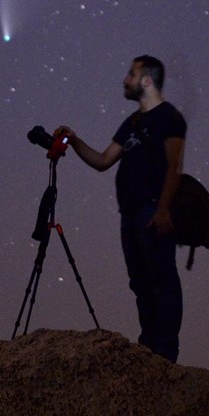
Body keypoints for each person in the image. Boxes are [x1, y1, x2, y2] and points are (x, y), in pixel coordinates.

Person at [57, 55, 187, 363]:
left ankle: (165, 353)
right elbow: (103, 160)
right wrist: (74, 141)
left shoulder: (169, 117)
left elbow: (174, 167)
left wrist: (164, 209)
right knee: (140, 282)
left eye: (131, 73)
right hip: (129, 215)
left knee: (162, 280)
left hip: (152, 210)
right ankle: (149, 348)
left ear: (146, 80)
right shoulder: (132, 123)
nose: (125, 79)